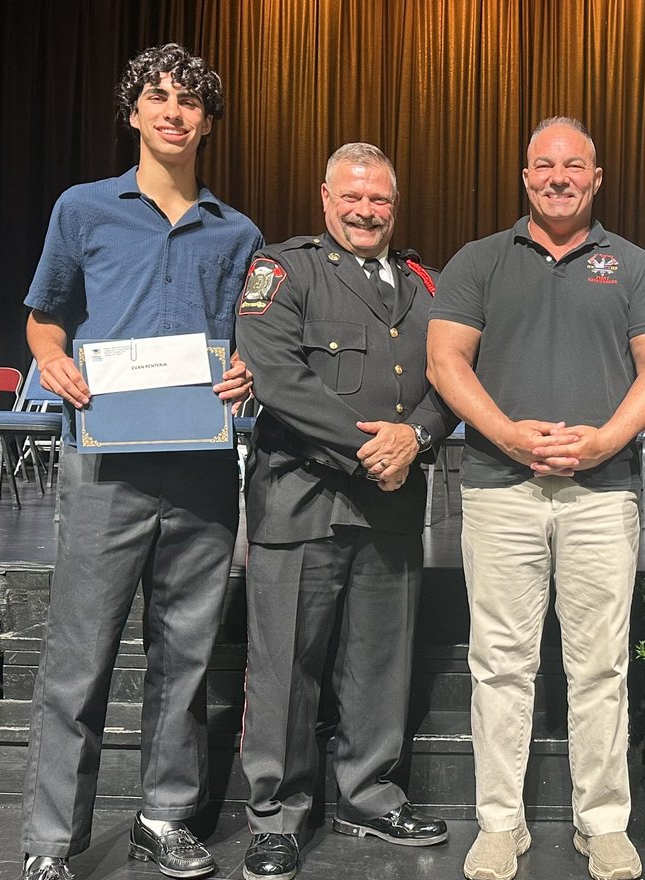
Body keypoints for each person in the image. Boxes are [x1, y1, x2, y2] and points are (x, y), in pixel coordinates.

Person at [17, 43, 263, 880]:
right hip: (105, 465)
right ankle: (51, 841)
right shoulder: (83, 209)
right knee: (77, 659)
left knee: (185, 656)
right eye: (157, 97)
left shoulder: (238, 232)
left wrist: (245, 372)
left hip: (199, 466)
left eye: (189, 101)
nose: (173, 111)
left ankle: (164, 816)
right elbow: (45, 317)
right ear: (132, 113)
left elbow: (250, 344)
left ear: (206, 120)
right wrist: (51, 359)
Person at [427, 117, 645, 880]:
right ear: (525, 177)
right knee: (499, 664)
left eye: (575, 166)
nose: (559, 177)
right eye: (545, 165)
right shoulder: (478, 262)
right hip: (502, 492)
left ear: (596, 178)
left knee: (600, 667)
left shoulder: (633, 266)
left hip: (601, 494)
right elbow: (445, 361)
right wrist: (505, 434)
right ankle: (500, 824)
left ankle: (602, 823)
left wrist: (606, 440)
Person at [233, 142, 456, 880]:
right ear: (325, 198)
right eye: (352, 198)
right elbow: (277, 377)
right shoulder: (283, 269)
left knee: (380, 664)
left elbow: (453, 375)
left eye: (381, 200)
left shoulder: (427, 283)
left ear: (396, 205)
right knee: (285, 667)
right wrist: (375, 451)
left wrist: (417, 435)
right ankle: (277, 816)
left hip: (391, 508)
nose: (366, 211)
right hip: (302, 500)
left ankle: (368, 796)